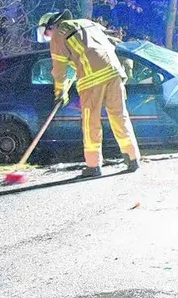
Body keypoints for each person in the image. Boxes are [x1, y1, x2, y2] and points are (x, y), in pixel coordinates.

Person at [39, 11, 142, 177]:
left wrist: (59, 92)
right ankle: (132, 158)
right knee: (119, 116)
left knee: (91, 122)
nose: (47, 36)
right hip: (114, 72)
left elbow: (59, 69)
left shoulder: (58, 35)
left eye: (46, 32)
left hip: (92, 79)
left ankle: (93, 166)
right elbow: (105, 46)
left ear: (52, 26)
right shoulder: (87, 24)